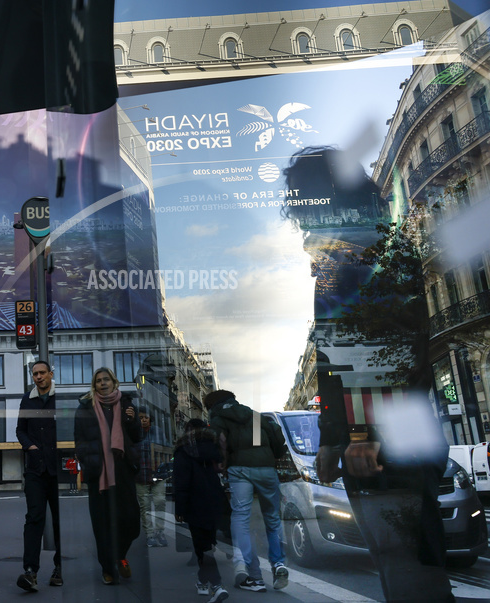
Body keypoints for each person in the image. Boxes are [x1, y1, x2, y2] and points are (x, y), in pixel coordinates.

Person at [284, 146, 454, 603]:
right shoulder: (362, 247)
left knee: (409, 569)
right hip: (387, 434)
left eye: (302, 198)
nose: (298, 211)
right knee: (405, 564)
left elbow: (380, 347)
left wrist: (358, 434)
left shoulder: (360, 251)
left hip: (385, 439)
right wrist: (333, 436)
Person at [205, 388, 288, 593]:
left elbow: (219, 442)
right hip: (267, 470)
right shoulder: (254, 416)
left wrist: (221, 463)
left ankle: (255, 576)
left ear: (212, 406)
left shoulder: (218, 419)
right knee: (272, 518)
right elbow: (277, 440)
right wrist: (271, 456)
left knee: (240, 519)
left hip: (240, 470)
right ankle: (279, 564)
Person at [73, 367, 141, 585]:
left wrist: (133, 421)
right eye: (98, 380)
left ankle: (120, 554)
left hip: (122, 470)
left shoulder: (127, 405)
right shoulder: (85, 408)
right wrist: (89, 460)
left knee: (131, 520)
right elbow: (79, 440)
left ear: (114, 382)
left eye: (106, 380)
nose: (103, 383)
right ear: (95, 385)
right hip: (98, 472)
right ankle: (108, 568)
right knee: (102, 524)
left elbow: (137, 437)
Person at [15, 360, 63, 591]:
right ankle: (30, 571)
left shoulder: (59, 399)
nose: (39, 376)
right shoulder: (27, 399)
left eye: (42, 373)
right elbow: (20, 429)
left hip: (56, 470)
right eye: (35, 374)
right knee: (34, 519)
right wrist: (29, 447)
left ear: (51, 374)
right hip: (35, 469)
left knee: (58, 521)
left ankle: (59, 568)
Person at [175, 418, 229, 603]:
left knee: (203, 547)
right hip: (213, 500)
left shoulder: (183, 449)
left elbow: (181, 480)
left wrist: (180, 508)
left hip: (194, 502)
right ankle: (202, 581)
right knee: (207, 543)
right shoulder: (212, 447)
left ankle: (216, 585)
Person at [135, 407, 168, 547]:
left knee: (160, 501)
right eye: (140, 417)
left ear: (150, 419)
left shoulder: (157, 431)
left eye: (145, 417)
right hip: (140, 473)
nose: (143, 420)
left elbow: (165, 448)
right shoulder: (134, 432)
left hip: (157, 472)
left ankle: (159, 532)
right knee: (145, 506)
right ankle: (150, 535)